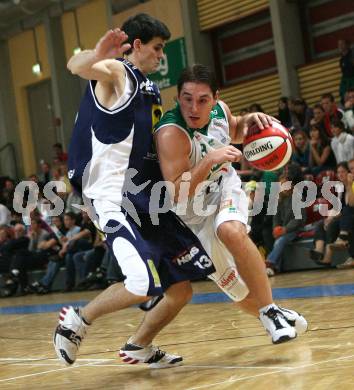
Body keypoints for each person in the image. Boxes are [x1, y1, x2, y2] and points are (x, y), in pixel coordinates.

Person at [53, 14, 214, 369]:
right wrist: (94, 56)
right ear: (137, 45)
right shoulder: (117, 74)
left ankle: (140, 345)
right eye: (157, 49)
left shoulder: (147, 87)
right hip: (112, 198)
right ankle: (75, 321)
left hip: (143, 197)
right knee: (141, 282)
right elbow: (76, 65)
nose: (161, 56)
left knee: (181, 287)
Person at [154, 64, 307, 344]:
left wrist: (250, 120)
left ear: (215, 98)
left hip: (223, 186)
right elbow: (177, 192)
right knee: (236, 292)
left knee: (230, 230)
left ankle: (270, 311)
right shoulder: (170, 133)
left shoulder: (220, 111)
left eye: (202, 100)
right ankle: (274, 311)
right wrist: (210, 159)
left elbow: (235, 128)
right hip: (191, 214)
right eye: (187, 98)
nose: (194, 107)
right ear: (177, 98)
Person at [338, 39, 354, 105]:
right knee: (344, 97)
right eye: (339, 44)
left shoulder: (352, 54)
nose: (340, 46)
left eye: (342, 44)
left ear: (347, 45)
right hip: (346, 81)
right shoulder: (341, 60)